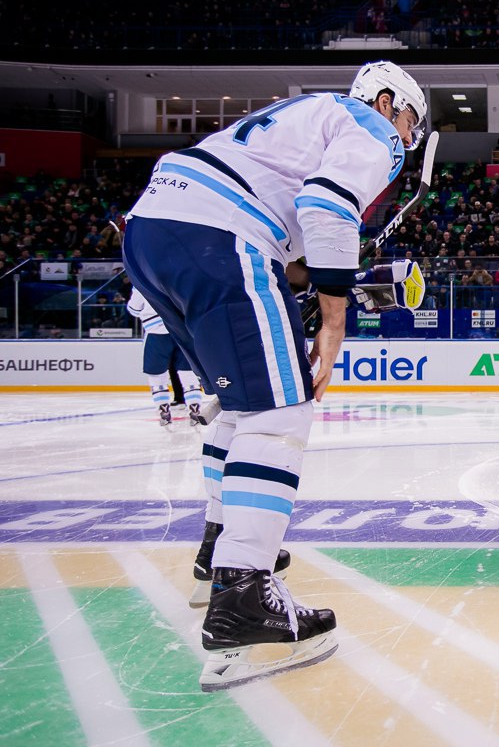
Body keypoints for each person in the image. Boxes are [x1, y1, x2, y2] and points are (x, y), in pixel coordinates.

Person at [122, 60, 428, 691]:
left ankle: (219, 546)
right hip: (219, 235)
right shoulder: (372, 125)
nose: (406, 135)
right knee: (280, 412)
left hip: (156, 233)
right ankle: (242, 594)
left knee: (239, 408)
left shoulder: (305, 118)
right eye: (410, 121)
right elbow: (325, 203)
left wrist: (321, 283)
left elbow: (288, 235)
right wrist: (336, 319)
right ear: (390, 100)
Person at [127, 288, 204, 426]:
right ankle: (195, 408)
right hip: (183, 330)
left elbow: (133, 309)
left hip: (156, 331)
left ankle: (163, 409)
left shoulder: (141, 279)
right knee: (188, 372)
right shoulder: (180, 275)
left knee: (157, 374)